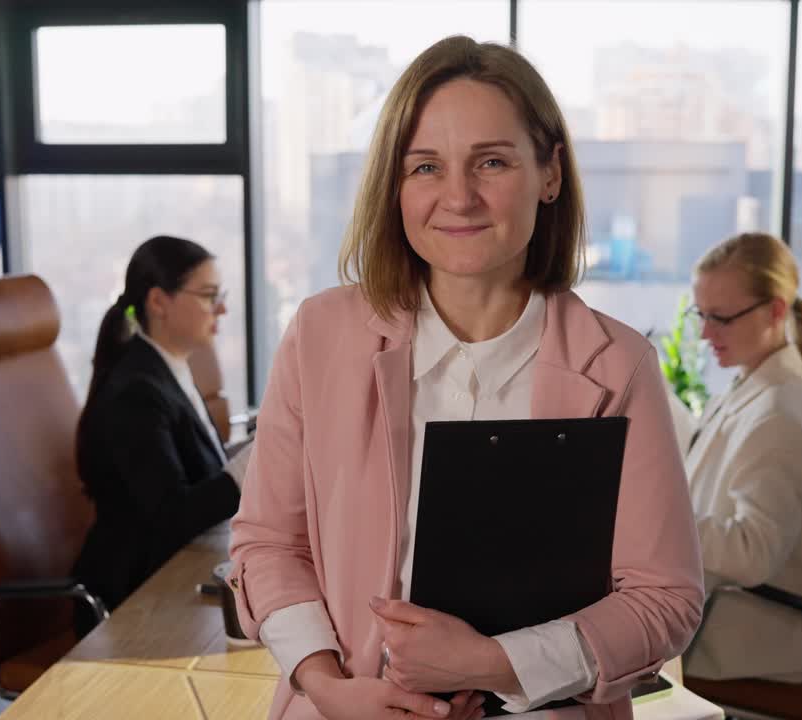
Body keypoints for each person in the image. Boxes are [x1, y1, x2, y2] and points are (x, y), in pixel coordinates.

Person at [227, 35, 704, 720]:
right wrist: (328, 686)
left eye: (491, 161)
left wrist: (494, 664)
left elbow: (665, 598)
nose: (458, 196)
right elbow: (270, 544)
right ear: (394, 186)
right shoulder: (320, 336)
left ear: (550, 175)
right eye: (425, 166)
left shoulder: (618, 364)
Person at [680, 232, 802, 683]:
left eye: (721, 318)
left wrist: (653, 521)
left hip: (758, 633)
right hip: (743, 611)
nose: (706, 334)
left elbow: (751, 554)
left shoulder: (779, 412)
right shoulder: (758, 375)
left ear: (775, 311)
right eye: (700, 315)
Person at [73, 235, 250, 621]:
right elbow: (172, 518)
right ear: (158, 302)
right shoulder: (135, 394)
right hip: (134, 594)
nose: (221, 309)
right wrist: (250, 466)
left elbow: (202, 472)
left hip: (177, 570)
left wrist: (259, 450)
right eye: (208, 296)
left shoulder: (170, 366)